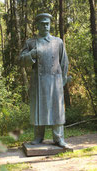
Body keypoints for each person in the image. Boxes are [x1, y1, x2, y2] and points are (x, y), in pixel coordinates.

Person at [19, 13, 70, 148]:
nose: (45, 26)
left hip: (55, 80)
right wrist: (31, 54)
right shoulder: (31, 42)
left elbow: (64, 61)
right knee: (38, 109)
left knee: (57, 110)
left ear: (50, 25)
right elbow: (21, 60)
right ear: (37, 25)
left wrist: (63, 79)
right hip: (38, 82)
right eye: (42, 24)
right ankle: (38, 137)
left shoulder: (58, 42)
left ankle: (58, 138)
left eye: (47, 23)